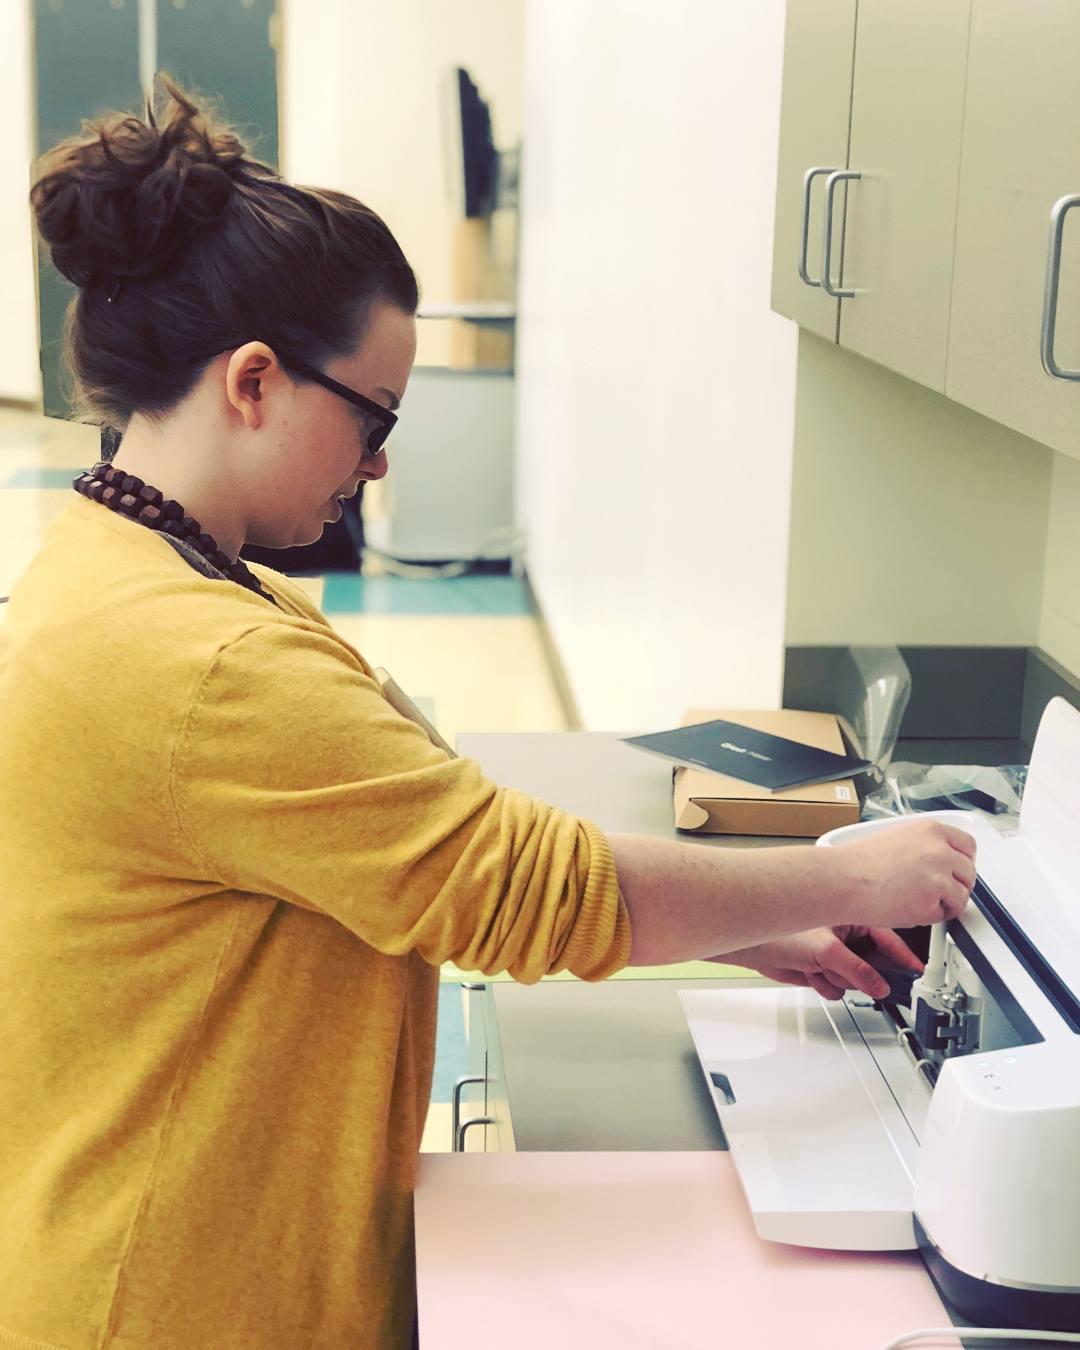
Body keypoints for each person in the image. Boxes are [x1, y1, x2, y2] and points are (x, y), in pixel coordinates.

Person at [0, 80, 976, 1350]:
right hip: (179, 1288)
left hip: (130, 1229)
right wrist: (834, 873)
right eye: (375, 419)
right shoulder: (208, 664)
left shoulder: (125, 567)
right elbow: (514, 886)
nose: (381, 463)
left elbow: (412, 846)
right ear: (253, 381)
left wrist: (745, 929)